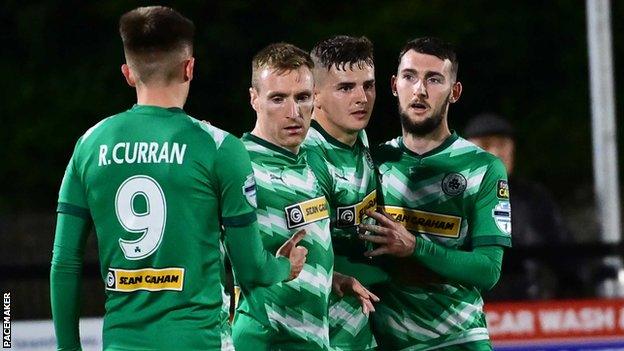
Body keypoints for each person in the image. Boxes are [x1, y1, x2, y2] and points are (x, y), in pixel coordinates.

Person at [50, 7, 307, 351]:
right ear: (190, 68)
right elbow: (250, 271)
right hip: (199, 342)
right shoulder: (220, 148)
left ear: (128, 74)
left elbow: (64, 264)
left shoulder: (90, 145)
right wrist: (282, 267)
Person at [360, 37, 511, 350]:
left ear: (454, 92)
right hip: (388, 341)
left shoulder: (483, 167)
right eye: (410, 77)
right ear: (393, 85)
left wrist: (415, 247)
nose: (420, 90)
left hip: (459, 340)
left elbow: (488, 271)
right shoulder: (371, 162)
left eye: (434, 79)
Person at [304, 35, 384, 351]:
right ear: (315, 95)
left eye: (368, 85)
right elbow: (305, 258)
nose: (361, 97)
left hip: (357, 326)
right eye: (345, 88)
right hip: (319, 331)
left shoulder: (358, 137)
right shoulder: (308, 156)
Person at [465, 113, 575, 299]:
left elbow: (565, 255)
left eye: (502, 145)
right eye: (486, 145)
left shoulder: (534, 198)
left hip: (530, 309)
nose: (496, 153)